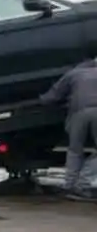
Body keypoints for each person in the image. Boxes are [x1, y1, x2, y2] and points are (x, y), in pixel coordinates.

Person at [40, 49, 97, 201]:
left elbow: (53, 95)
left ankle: (70, 185)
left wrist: (40, 99)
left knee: (74, 150)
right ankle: (83, 183)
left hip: (78, 113)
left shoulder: (73, 73)